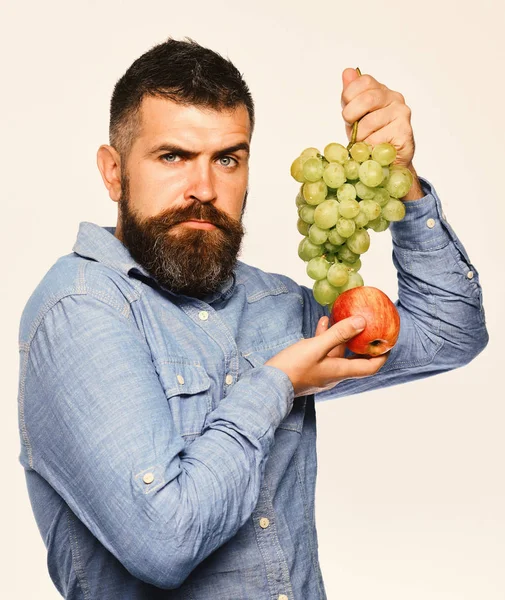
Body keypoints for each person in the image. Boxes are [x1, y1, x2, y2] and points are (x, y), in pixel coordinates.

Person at [17, 37, 488, 600]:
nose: (205, 189)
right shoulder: (80, 307)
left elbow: (449, 332)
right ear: (113, 172)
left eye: (228, 159)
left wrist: (404, 181)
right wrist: (277, 383)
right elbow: (165, 541)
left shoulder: (272, 306)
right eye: (173, 157)